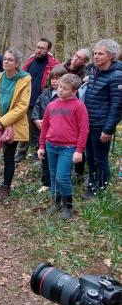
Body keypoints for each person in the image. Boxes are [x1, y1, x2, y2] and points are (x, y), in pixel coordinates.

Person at [0, 48, 31, 201]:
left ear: (17, 64)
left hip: (12, 124)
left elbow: (22, 106)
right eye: (5, 59)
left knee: (9, 157)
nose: (6, 61)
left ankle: (6, 187)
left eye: (10, 60)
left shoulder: (25, 80)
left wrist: (3, 122)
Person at [37, 74, 89, 219]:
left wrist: (79, 150)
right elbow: (45, 126)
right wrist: (41, 146)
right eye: (60, 87)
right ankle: (56, 202)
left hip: (68, 148)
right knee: (53, 176)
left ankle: (68, 206)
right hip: (51, 145)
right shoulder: (51, 105)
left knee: (62, 176)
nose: (60, 90)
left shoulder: (78, 106)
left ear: (74, 91)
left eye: (65, 89)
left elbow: (84, 129)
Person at [83, 39, 122, 197]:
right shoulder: (94, 71)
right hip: (88, 122)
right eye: (95, 53)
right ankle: (92, 184)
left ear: (111, 56)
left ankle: (101, 188)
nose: (96, 56)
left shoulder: (117, 76)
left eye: (100, 53)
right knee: (90, 156)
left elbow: (117, 107)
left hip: (101, 125)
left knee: (100, 158)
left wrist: (108, 129)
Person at [16, 38, 61, 162]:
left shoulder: (54, 64)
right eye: (37, 47)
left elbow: (59, 79)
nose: (39, 50)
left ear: (48, 50)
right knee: (26, 128)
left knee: (42, 128)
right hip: (27, 100)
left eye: (42, 48)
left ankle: (39, 153)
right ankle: (21, 152)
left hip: (44, 101)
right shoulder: (31, 61)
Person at [31, 65, 69, 193]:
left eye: (58, 78)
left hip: (59, 134)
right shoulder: (45, 94)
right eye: (52, 78)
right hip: (44, 132)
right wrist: (36, 120)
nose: (54, 81)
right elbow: (36, 108)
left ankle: (60, 184)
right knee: (45, 159)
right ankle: (46, 183)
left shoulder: (65, 97)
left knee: (60, 161)